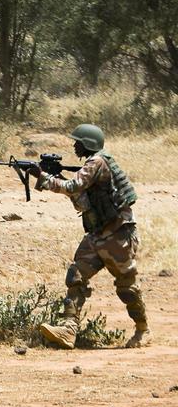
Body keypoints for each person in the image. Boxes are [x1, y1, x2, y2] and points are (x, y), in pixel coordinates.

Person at [33, 124, 149, 349]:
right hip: (97, 235)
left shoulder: (97, 162)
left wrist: (44, 177)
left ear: (88, 143)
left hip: (117, 234)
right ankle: (68, 329)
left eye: (78, 142)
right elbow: (81, 197)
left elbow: (73, 185)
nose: (74, 146)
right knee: (76, 275)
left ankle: (143, 329)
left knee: (126, 287)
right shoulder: (92, 164)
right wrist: (52, 176)